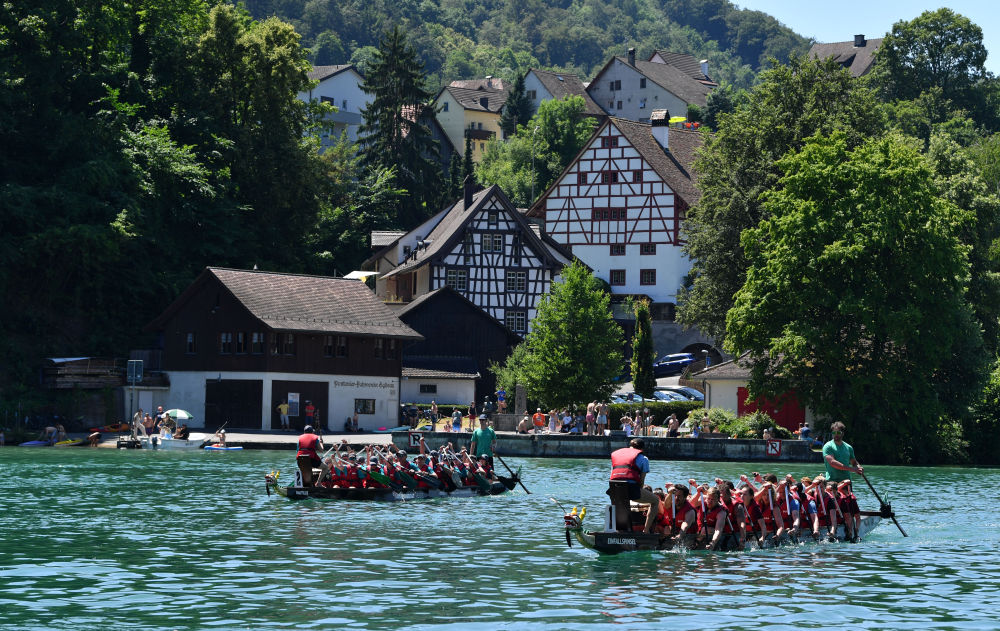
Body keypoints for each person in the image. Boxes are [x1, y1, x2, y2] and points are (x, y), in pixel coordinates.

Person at [609, 438, 659, 533]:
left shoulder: (618, 456)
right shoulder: (644, 459)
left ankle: (619, 531)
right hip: (631, 489)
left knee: (621, 502)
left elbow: (613, 475)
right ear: (642, 449)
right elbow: (641, 481)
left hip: (613, 489)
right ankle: (646, 530)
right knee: (655, 501)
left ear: (630, 447)